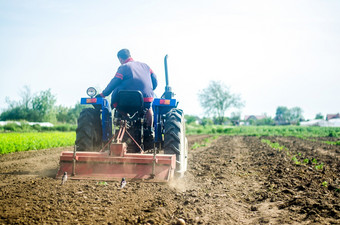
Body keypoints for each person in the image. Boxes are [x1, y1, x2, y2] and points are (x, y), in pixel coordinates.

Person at [97, 49, 158, 127]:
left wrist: (103, 94)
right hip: (146, 99)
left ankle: (125, 118)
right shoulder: (146, 66)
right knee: (149, 108)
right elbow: (155, 80)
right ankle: (150, 130)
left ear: (120, 59)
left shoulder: (124, 67)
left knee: (117, 94)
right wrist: (150, 90)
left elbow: (114, 82)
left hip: (127, 100)